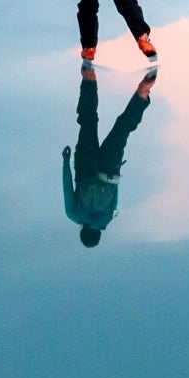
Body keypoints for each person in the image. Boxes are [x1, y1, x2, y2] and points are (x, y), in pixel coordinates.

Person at [62, 63, 155, 247]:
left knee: (123, 128)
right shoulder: (74, 215)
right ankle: (89, 76)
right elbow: (67, 188)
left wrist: (116, 167)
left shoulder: (107, 219)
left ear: (98, 234)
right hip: (85, 165)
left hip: (109, 169)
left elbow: (115, 191)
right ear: (82, 231)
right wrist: (65, 161)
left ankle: (143, 92)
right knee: (88, 120)